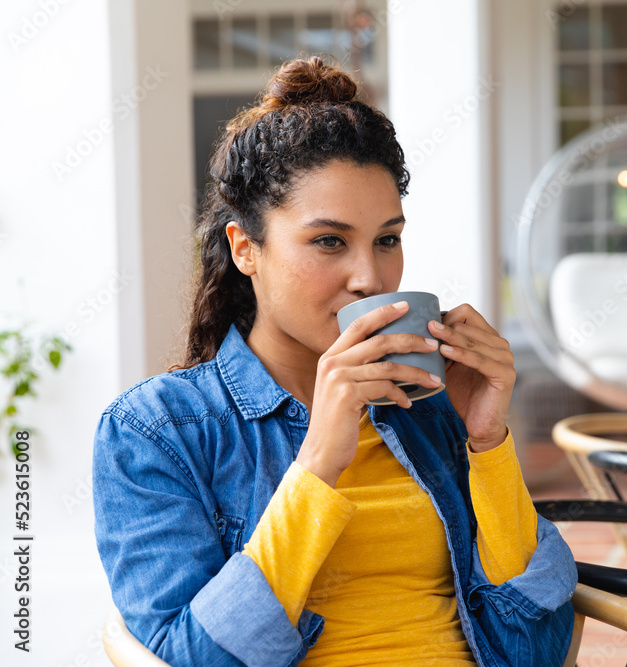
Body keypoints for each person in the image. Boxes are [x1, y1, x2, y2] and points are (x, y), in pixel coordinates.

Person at [92, 56, 577, 666]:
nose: (370, 277)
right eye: (329, 241)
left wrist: (487, 442)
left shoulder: (429, 409)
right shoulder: (158, 431)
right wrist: (319, 462)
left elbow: (534, 651)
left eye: (387, 239)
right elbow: (194, 659)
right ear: (246, 249)